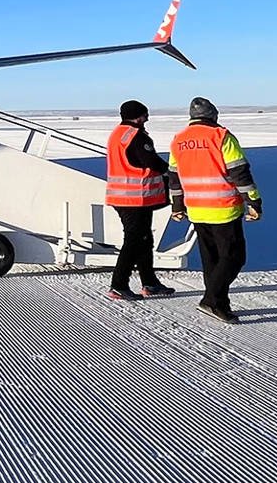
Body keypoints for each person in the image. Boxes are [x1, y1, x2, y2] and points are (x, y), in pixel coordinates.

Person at [170, 96, 262, 322]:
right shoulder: (221, 136)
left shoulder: (178, 140)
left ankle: (219, 303)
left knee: (211, 259)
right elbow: (239, 173)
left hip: (197, 208)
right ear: (213, 115)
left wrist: (177, 206)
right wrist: (253, 201)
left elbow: (174, 177)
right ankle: (211, 299)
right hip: (223, 208)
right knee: (234, 257)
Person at [104, 99, 176, 300]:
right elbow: (150, 161)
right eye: (145, 115)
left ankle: (150, 282)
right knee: (134, 241)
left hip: (125, 197)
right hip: (134, 198)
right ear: (139, 116)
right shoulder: (135, 136)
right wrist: (172, 172)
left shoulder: (118, 134)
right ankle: (118, 284)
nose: (147, 119)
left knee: (144, 240)